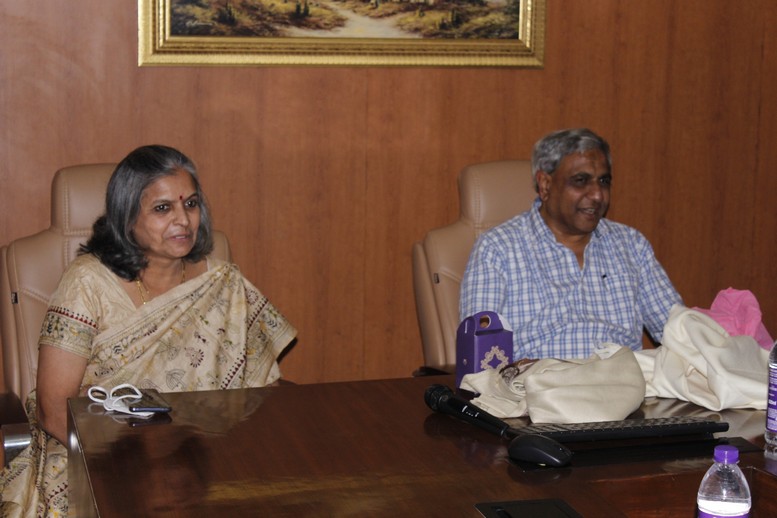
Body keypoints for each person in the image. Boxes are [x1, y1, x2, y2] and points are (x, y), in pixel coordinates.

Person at [0, 145, 297, 517]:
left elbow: (261, 393)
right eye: (162, 208)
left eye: (191, 204)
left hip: (200, 459)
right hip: (97, 459)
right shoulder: (87, 283)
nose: (183, 220)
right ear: (127, 219)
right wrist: (130, 471)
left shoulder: (222, 282)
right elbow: (54, 411)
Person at [459, 128, 682, 360]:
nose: (597, 195)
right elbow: (480, 352)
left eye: (603, 181)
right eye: (581, 181)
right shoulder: (498, 249)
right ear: (545, 185)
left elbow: (680, 334)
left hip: (622, 378)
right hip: (538, 379)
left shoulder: (631, 246)